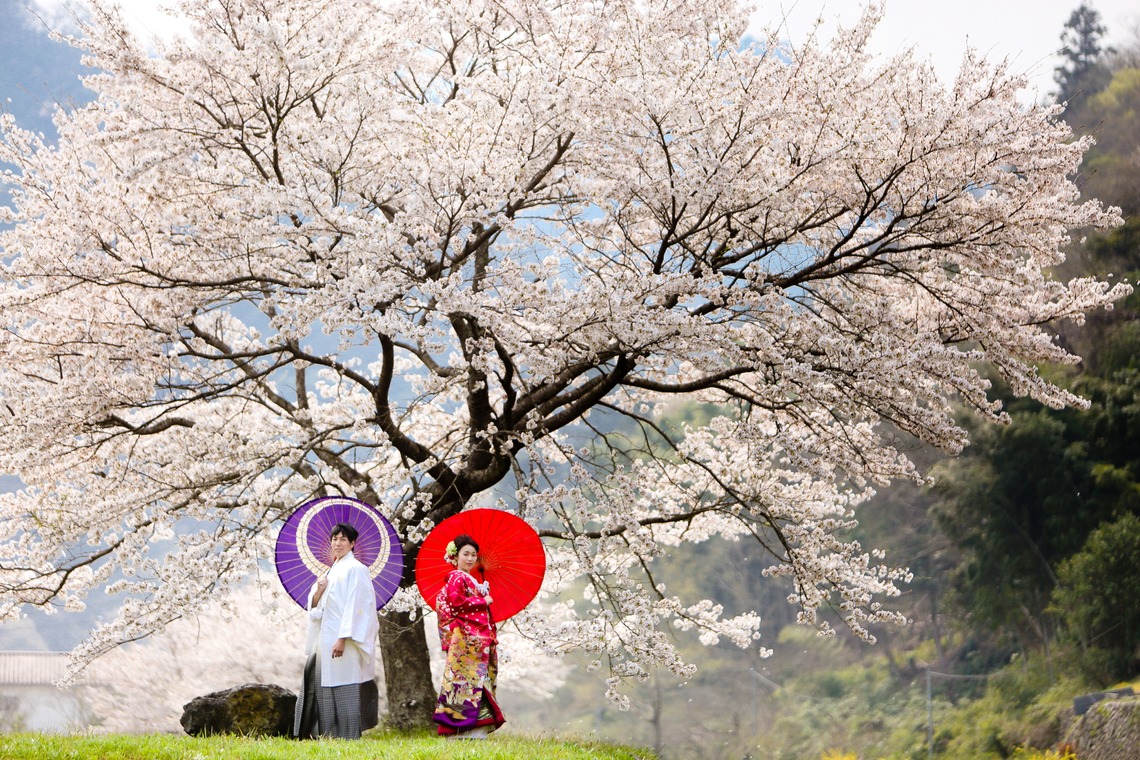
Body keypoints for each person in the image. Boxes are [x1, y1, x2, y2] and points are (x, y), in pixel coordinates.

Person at [293, 522, 380, 740]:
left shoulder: (357, 569)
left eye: (343, 539)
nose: (337, 543)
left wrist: (343, 638)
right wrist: (319, 590)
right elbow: (314, 607)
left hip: (345, 639)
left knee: (345, 684)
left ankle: (348, 735)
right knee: (323, 683)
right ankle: (326, 733)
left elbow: (357, 606)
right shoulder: (330, 571)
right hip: (325, 637)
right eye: (334, 539)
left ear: (352, 544)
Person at [433, 533, 505, 738]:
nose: (471, 558)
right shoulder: (457, 576)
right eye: (466, 554)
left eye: (474, 554)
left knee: (470, 685)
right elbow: (457, 603)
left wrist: (481, 592)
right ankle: (465, 731)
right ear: (455, 557)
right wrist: (483, 601)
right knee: (469, 684)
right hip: (468, 640)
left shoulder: (469, 578)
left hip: (473, 640)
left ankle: (469, 730)